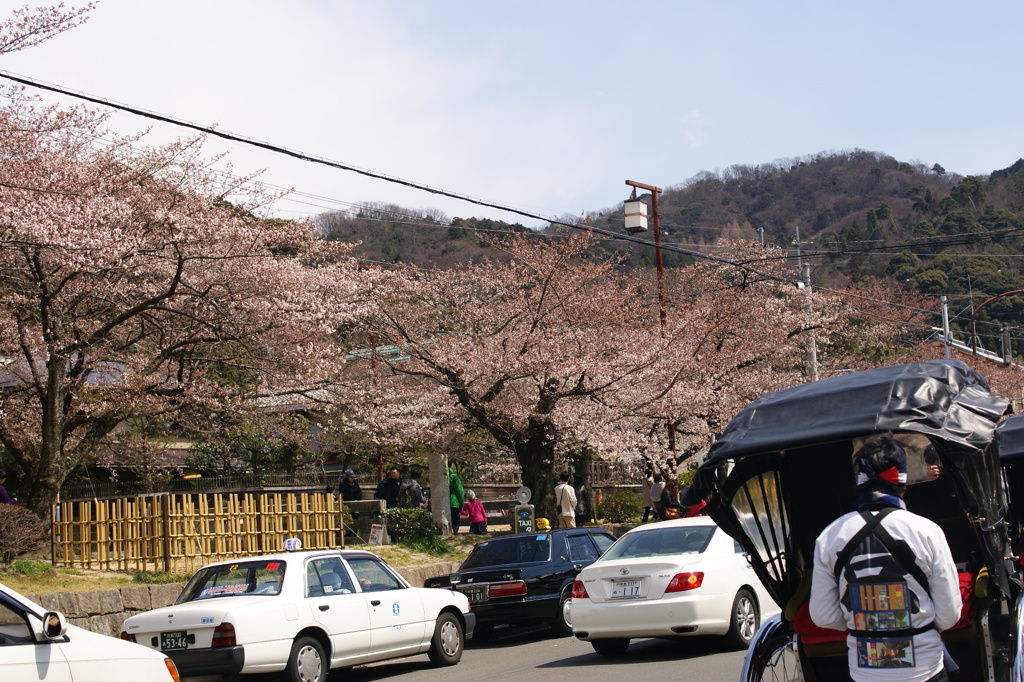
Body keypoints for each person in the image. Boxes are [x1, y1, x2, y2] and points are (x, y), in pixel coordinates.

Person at [810, 435, 962, 682]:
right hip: (924, 668)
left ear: (859, 480)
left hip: (865, 670)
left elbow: (823, 615)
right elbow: (949, 613)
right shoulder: (926, 531)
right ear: (902, 482)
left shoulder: (830, 536)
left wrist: (865, 622)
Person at [448, 465, 465, 533]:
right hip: (453, 502)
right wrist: (461, 504)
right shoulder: (453, 477)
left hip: (442, 503)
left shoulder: (439, 476)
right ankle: (454, 534)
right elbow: (459, 491)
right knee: (455, 522)